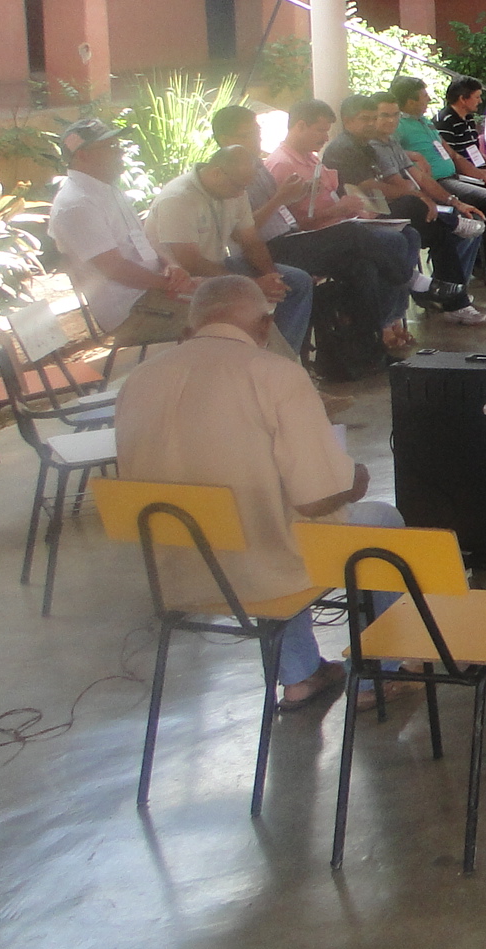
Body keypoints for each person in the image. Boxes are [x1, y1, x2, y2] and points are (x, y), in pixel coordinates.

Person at [113, 275, 408, 711]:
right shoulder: (275, 375)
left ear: (188, 331)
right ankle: (378, 676)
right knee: (380, 522)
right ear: (266, 327)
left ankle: (302, 675)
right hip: (264, 569)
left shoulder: (137, 381)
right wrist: (354, 479)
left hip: (179, 571)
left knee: (273, 522)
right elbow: (316, 498)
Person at [213, 103, 413, 365]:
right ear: (225, 139)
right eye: (248, 134)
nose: (256, 139)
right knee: (353, 234)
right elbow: (243, 234)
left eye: (257, 132)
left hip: (290, 236)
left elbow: (284, 212)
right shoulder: (227, 173)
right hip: (269, 248)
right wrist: (281, 198)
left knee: (361, 266)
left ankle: (367, 352)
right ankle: (412, 280)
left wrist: (296, 195)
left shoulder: (258, 166)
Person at [322, 95, 486, 323]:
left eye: (376, 118)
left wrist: (451, 201)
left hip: (379, 211)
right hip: (360, 219)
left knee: (439, 233)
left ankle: (453, 302)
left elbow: (411, 177)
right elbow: (371, 187)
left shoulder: (369, 144)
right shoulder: (345, 148)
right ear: (348, 121)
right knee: (414, 208)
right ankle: (430, 287)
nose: (373, 123)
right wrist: (417, 195)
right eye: (367, 119)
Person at [145, 144, 314, 357]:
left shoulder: (235, 189)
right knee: (244, 300)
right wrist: (248, 284)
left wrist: (271, 275)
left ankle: (278, 360)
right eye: (238, 186)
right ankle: (270, 366)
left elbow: (250, 241)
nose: (242, 193)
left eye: (245, 187)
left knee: (296, 281)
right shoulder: (179, 198)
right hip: (186, 278)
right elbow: (190, 262)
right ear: (216, 173)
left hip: (218, 264)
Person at [47, 118, 197, 348]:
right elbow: (114, 268)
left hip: (153, 291)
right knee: (225, 320)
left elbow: (144, 239)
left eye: (118, 145)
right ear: (82, 155)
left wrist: (171, 265)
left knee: (234, 298)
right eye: (110, 147)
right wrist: (168, 285)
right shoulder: (77, 204)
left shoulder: (107, 188)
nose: (120, 152)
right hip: (133, 309)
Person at [391, 76, 486, 213]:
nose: (429, 100)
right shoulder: (397, 125)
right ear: (410, 102)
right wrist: (414, 156)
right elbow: (389, 153)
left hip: (455, 177)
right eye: (424, 96)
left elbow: (453, 155)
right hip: (438, 183)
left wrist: (484, 177)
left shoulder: (425, 121)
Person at [431, 77, 486, 187]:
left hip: (479, 172)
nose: (480, 101)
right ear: (463, 99)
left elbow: (475, 151)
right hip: (461, 178)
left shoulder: (469, 118)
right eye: (477, 97)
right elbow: (453, 161)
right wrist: (485, 175)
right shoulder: (444, 121)